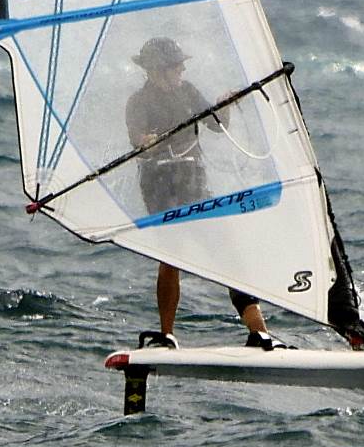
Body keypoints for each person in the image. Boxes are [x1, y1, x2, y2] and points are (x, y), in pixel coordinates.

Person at [124, 36, 291, 351]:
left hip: (193, 177)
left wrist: (224, 106)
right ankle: (167, 335)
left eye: (181, 65)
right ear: (156, 70)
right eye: (176, 66)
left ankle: (259, 332)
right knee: (171, 256)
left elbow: (216, 124)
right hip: (159, 182)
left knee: (227, 252)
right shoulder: (138, 101)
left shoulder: (187, 92)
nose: (182, 70)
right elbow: (136, 138)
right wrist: (147, 141)